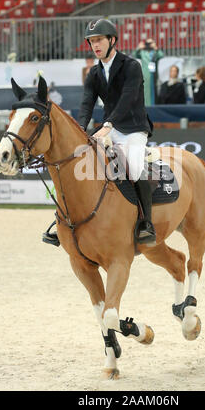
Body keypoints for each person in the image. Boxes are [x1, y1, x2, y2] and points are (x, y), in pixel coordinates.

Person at [43, 18, 156, 246]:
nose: (95, 45)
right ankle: (63, 220)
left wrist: (109, 125)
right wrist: (80, 130)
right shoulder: (94, 73)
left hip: (133, 128)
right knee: (77, 163)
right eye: (91, 41)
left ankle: (146, 222)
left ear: (112, 40)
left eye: (99, 40)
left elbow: (128, 99)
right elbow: (86, 104)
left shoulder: (131, 66)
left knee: (133, 166)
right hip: (108, 128)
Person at [133, 38, 164, 106]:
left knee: (153, 90)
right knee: (145, 91)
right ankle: (145, 105)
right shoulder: (142, 52)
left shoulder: (155, 52)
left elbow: (161, 55)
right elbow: (134, 55)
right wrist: (138, 48)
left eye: (150, 43)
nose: (149, 45)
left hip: (154, 75)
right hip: (145, 74)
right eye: (147, 43)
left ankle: (153, 105)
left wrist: (156, 48)